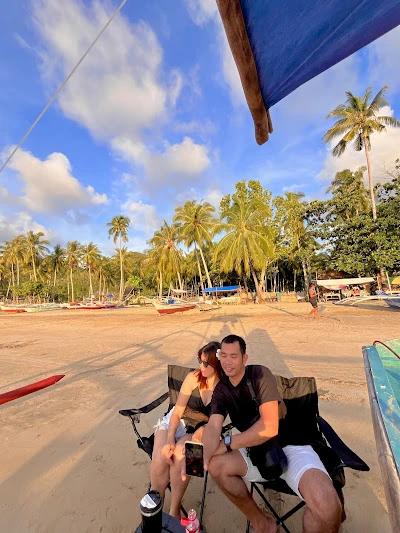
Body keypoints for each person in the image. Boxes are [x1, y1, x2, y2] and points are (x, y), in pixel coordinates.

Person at [201, 334, 342, 533]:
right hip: (256, 452)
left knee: (327, 507)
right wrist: (205, 454)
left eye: (234, 356)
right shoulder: (222, 390)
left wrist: (226, 443)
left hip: (291, 446)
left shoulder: (259, 375)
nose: (227, 361)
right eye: (223, 355)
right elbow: (213, 426)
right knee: (216, 466)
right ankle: (261, 523)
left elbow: (269, 427)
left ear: (244, 358)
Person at [150, 341, 222, 519]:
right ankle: (154, 505)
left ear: (217, 365)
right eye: (200, 360)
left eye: (206, 363)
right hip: (177, 421)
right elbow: (177, 410)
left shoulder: (225, 388)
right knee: (160, 456)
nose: (201, 366)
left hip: (202, 429)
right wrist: (169, 438)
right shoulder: (193, 377)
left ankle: (174, 510)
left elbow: (216, 423)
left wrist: (203, 431)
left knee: (185, 456)